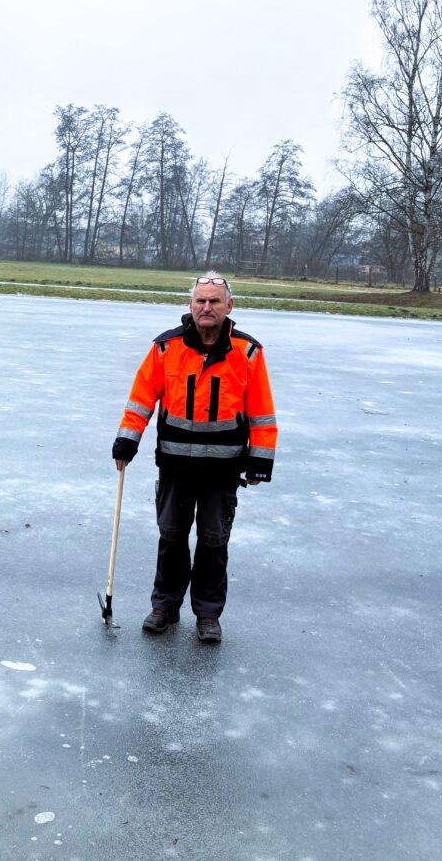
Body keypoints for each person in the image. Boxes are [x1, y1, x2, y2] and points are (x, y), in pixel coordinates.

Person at [111, 271, 277, 642]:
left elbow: (262, 413)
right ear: (190, 306)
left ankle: (207, 615)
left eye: (214, 302)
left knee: (213, 542)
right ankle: (164, 607)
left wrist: (259, 462)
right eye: (200, 301)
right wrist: (126, 441)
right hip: (175, 465)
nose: (206, 307)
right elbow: (141, 399)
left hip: (223, 470)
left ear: (229, 307)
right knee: (171, 537)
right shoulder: (165, 347)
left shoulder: (248, 352)